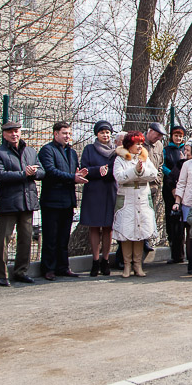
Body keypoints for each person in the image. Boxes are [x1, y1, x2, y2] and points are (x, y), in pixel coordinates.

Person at [0, 120, 44, 287]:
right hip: (8, 202)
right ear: (4, 134)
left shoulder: (30, 151)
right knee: (3, 240)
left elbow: (42, 171)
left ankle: (21, 271)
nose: (14, 134)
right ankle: (1, 274)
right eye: (10, 131)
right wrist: (23, 173)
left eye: (16, 131)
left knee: (26, 239)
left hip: (28, 201)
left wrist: (34, 173)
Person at [37, 122, 88, 281]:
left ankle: (63, 267)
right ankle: (48, 268)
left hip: (68, 200)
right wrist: (72, 177)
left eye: (69, 133)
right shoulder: (47, 150)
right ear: (55, 134)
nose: (67, 136)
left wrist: (79, 175)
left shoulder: (72, 152)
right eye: (64, 133)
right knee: (51, 237)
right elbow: (50, 172)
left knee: (64, 237)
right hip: (51, 201)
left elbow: (74, 172)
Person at [113, 131, 158, 278]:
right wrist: (134, 171)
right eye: (136, 144)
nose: (140, 147)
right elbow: (119, 177)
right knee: (127, 232)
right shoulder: (120, 160)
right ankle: (127, 266)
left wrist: (140, 171)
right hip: (127, 200)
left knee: (140, 233)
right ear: (128, 145)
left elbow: (153, 174)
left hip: (142, 200)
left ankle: (138, 265)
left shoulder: (144, 158)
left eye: (141, 144)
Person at [80, 120, 118, 277]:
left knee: (108, 228)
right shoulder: (89, 149)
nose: (105, 134)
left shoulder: (116, 151)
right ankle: (95, 261)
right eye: (102, 132)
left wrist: (107, 172)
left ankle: (106, 260)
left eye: (108, 132)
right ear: (97, 134)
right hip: (93, 191)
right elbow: (83, 168)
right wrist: (98, 171)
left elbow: (119, 169)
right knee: (94, 227)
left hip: (110, 190)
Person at [162, 125, 188, 265]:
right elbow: (162, 165)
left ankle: (185, 252)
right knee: (172, 220)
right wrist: (172, 175)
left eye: (180, 136)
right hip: (170, 187)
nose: (178, 138)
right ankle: (175, 252)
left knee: (184, 221)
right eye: (176, 135)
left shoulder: (186, 149)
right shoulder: (167, 150)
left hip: (185, 188)